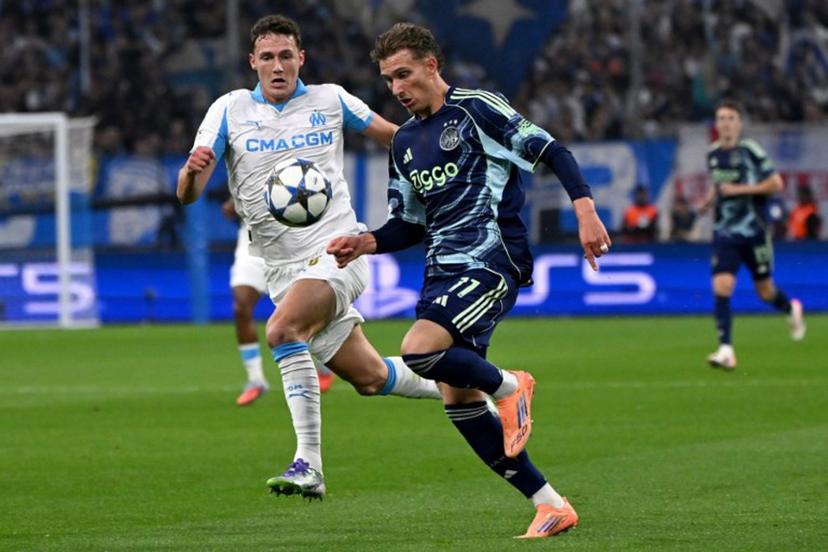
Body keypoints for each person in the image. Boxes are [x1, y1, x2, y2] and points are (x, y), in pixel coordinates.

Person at [327, 23, 611, 538]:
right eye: (389, 79)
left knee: (419, 350)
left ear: (432, 67)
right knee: (456, 397)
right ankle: (550, 504)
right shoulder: (405, 142)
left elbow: (550, 150)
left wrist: (585, 209)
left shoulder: (476, 107)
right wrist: (365, 241)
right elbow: (409, 224)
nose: (396, 88)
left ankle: (510, 384)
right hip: (441, 270)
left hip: (492, 259)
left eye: (405, 74)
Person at [177, 14, 442, 500]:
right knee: (370, 377)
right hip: (280, 266)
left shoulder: (330, 99)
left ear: (302, 59)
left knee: (281, 330)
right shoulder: (229, 111)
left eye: (286, 56)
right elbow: (189, 194)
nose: (277, 66)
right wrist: (192, 174)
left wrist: (445, 155)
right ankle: (485, 389)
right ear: (252, 63)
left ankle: (309, 465)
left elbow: (396, 138)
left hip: (338, 250)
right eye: (267, 57)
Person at [700, 99, 806, 370]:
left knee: (764, 290)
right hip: (724, 232)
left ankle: (791, 308)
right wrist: (708, 201)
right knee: (722, 286)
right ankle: (726, 349)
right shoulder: (712, 154)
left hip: (754, 232)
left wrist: (739, 190)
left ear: (739, 123)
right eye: (721, 118)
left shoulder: (750, 151)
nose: (725, 123)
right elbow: (718, 184)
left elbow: (775, 183)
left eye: (730, 118)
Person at [221, 199, 334, 407]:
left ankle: (322, 365)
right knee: (241, 307)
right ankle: (255, 379)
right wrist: (234, 206)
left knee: (301, 310)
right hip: (252, 244)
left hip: (290, 243)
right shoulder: (239, 167)